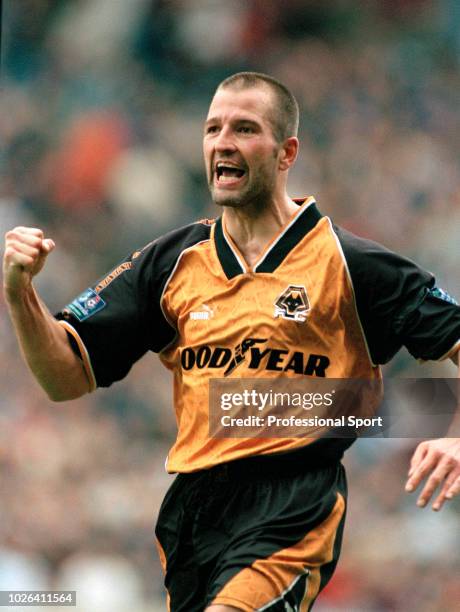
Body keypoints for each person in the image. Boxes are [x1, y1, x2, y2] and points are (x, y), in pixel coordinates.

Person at [3, 72, 460, 612]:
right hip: (191, 517)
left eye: (245, 129)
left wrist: (454, 434)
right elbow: (64, 376)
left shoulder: (351, 262)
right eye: (213, 128)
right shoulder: (170, 262)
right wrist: (18, 293)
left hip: (291, 510)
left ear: (287, 152)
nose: (223, 141)